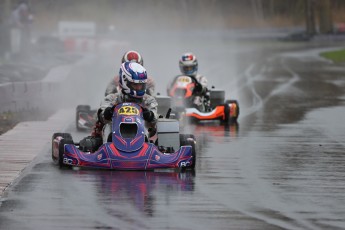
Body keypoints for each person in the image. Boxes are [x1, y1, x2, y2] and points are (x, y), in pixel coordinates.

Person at [94, 62, 158, 143]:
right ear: (125, 82)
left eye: (141, 85)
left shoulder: (149, 100)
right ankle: (107, 145)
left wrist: (149, 115)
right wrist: (107, 113)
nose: (139, 88)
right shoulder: (112, 98)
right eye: (135, 84)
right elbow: (101, 116)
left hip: (142, 139)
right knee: (106, 125)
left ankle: (143, 146)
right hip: (114, 138)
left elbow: (155, 119)